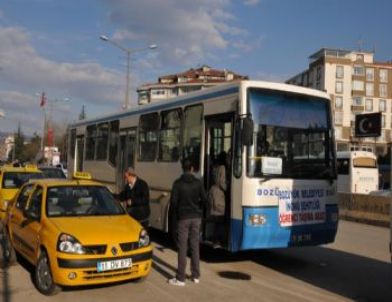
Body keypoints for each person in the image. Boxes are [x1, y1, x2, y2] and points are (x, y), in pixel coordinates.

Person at [168, 159, 208, 286]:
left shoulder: (177, 183)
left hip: (183, 218)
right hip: (196, 218)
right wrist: (199, 210)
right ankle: (195, 276)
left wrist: (177, 214)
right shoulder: (198, 183)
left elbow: (173, 203)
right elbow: (205, 200)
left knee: (183, 248)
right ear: (192, 169)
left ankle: (180, 278)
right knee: (195, 246)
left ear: (182, 168)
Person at [208, 151, 227, 246]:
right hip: (219, 194)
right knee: (220, 218)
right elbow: (222, 182)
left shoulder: (215, 166)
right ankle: (217, 239)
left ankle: (215, 238)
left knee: (216, 219)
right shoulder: (223, 168)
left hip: (213, 192)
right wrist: (228, 189)